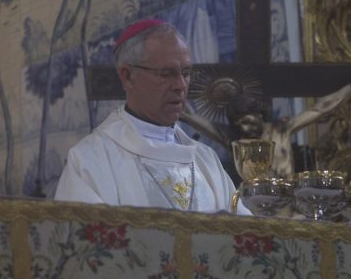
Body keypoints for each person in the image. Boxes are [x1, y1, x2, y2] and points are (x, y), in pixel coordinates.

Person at [55, 20, 246, 213]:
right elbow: (81, 240)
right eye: (166, 74)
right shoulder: (90, 162)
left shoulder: (206, 161)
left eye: (186, 73)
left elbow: (243, 234)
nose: (181, 85)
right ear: (128, 76)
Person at [182, 64, 351, 178]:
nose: (245, 127)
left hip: (286, 200)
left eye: (249, 121)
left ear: (260, 115)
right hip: (255, 204)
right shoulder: (233, 138)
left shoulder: (281, 129)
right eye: (240, 123)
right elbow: (191, 117)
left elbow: (321, 108)